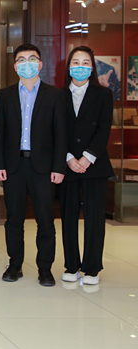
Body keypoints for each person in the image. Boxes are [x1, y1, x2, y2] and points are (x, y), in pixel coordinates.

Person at [0, 44, 66, 287]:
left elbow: (61, 134)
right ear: (15, 66)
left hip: (43, 168)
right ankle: (15, 265)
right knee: (14, 219)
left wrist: (59, 167)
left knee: (45, 220)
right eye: (21, 60)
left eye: (32, 59)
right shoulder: (5, 95)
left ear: (40, 64)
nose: (27, 64)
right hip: (13, 166)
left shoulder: (54, 95)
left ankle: (45, 268)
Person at [60, 46, 113, 286]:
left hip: (95, 164)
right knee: (68, 217)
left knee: (94, 218)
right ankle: (71, 265)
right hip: (68, 164)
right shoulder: (58, 95)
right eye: (75, 62)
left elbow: (104, 129)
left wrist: (87, 157)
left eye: (85, 63)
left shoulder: (103, 94)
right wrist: (69, 157)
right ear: (69, 66)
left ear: (92, 67)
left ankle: (92, 268)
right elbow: (57, 130)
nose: (80, 67)